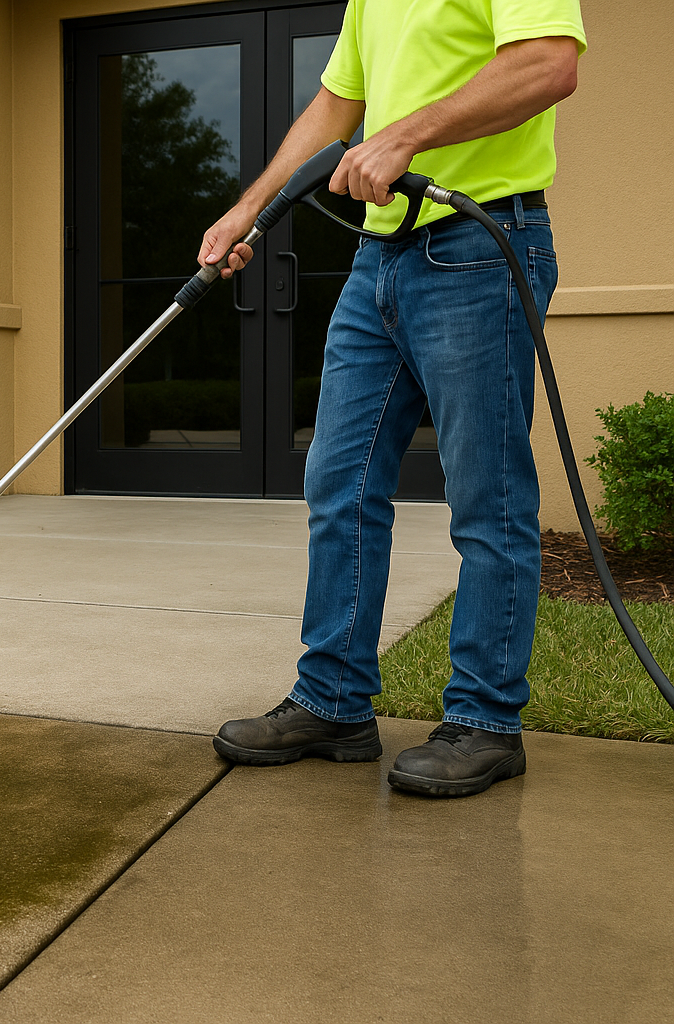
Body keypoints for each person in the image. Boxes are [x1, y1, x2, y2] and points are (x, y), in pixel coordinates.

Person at [204, 0, 586, 797]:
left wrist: (407, 133)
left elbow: (549, 63)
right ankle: (333, 701)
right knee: (337, 481)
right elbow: (336, 107)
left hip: (480, 246)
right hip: (379, 258)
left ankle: (486, 720)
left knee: (489, 496)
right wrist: (251, 210)